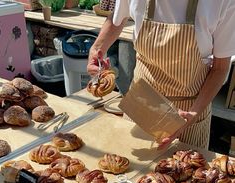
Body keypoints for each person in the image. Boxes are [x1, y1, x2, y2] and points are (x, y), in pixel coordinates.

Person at [87, 0, 235, 149]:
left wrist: (192, 114)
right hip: (141, 104)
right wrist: (97, 48)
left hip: (187, 112)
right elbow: (117, 18)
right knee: (129, 169)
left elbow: (220, 68)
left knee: (184, 169)